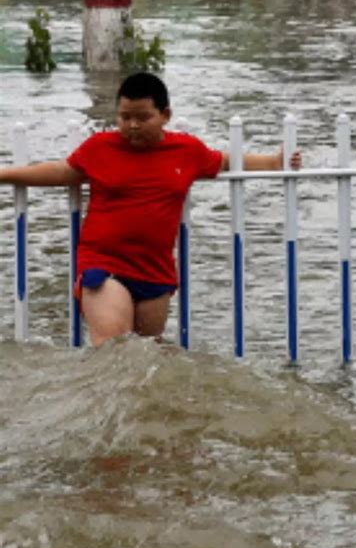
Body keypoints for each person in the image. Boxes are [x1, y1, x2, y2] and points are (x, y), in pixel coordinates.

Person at [0, 72, 301, 347]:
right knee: (114, 348)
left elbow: (224, 161)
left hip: (154, 272)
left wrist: (273, 163)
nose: (132, 125)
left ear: (165, 115)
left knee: (147, 357)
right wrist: (4, 174)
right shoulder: (100, 147)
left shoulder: (187, 150)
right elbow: (60, 172)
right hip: (103, 264)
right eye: (124, 116)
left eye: (142, 117)